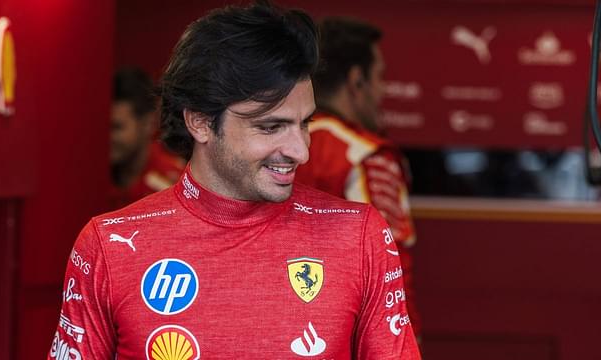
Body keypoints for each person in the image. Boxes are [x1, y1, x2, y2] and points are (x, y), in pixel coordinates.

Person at [48, 2, 420, 359]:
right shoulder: (108, 246)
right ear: (200, 122)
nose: (300, 151)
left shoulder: (360, 236)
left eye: (303, 123)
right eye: (271, 127)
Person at [295, 17, 421, 337]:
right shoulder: (364, 154)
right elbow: (391, 261)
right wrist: (406, 338)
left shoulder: (272, 144)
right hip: (347, 332)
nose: (383, 90)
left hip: (280, 325)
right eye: (379, 77)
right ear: (356, 80)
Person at [110, 68, 186, 207]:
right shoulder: (87, 180)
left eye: (116, 127)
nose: (108, 137)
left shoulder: (175, 186)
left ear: (148, 124)